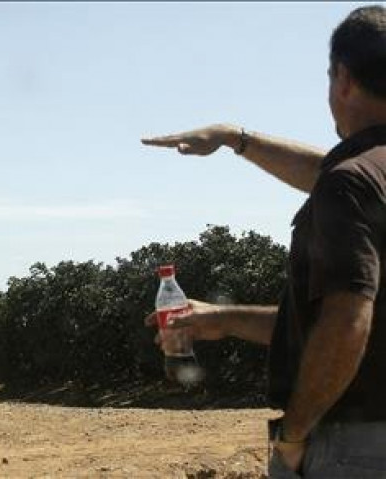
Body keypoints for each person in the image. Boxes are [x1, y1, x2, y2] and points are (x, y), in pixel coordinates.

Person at [142, 5, 386, 478]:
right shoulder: (367, 177)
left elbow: (346, 325)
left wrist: (293, 437)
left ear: (343, 79)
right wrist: (226, 318)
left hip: (353, 448)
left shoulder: (351, 184)